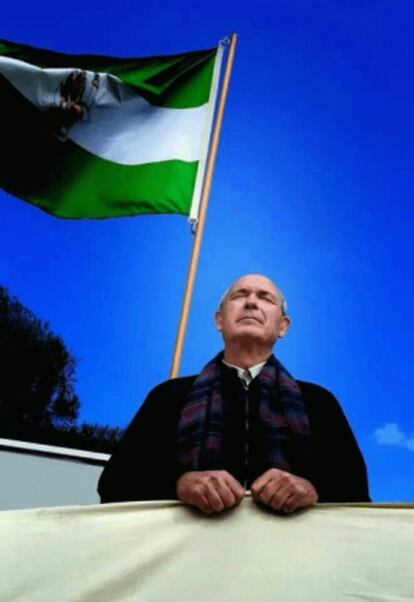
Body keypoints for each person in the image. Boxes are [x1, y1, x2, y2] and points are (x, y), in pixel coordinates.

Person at [98, 274, 370, 513]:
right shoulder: (168, 396)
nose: (251, 302)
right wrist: (179, 484)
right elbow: (115, 485)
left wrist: (312, 490)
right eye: (240, 296)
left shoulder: (319, 402)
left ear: (283, 326)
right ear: (219, 320)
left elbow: (356, 497)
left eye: (265, 298)